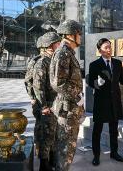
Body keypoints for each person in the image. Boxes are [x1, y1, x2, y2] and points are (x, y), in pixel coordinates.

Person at [88, 38, 123, 166]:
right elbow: (91, 82)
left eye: (110, 47)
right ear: (100, 50)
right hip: (101, 103)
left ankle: (114, 152)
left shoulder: (118, 63)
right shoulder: (94, 65)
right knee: (97, 131)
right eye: (106, 47)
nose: (109, 49)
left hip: (114, 102)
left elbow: (122, 80)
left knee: (114, 129)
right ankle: (96, 156)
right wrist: (97, 83)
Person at [50, 19, 84, 171]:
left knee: (67, 151)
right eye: (79, 34)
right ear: (70, 35)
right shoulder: (63, 53)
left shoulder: (68, 53)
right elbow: (58, 83)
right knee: (65, 152)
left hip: (71, 109)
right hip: (67, 109)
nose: (80, 37)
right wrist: (78, 96)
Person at [33, 32, 61, 171]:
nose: (59, 45)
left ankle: (53, 161)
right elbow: (38, 86)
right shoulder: (42, 62)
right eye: (57, 43)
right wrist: (43, 106)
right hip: (47, 105)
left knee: (54, 134)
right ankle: (44, 165)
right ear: (51, 45)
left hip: (56, 104)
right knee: (46, 135)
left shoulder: (54, 59)